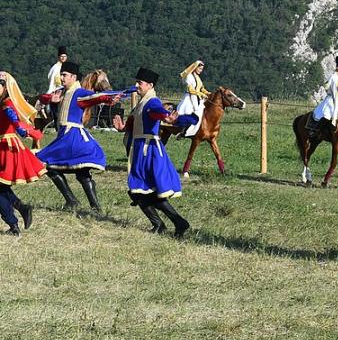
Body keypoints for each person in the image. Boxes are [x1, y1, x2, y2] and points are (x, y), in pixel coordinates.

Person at [35, 60, 126, 213]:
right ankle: (93, 206)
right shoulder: (62, 92)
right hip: (65, 136)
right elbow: (43, 97)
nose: (62, 78)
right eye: (61, 75)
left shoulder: (79, 92)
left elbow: (95, 97)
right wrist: (51, 99)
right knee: (81, 172)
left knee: (48, 165)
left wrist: (110, 97)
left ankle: (73, 200)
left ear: (73, 77)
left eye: (64, 75)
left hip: (72, 136)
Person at [112, 68, 188, 236]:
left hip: (149, 151)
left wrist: (167, 116)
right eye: (137, 82)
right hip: (140, 150)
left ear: (150, 85)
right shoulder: (141, 103)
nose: (136, 85)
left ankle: (174, 223)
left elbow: (159, 112)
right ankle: (166, 224)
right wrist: (122, 128)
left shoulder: (152, 101)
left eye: (140, 83)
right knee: (140, 191)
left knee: (144, 191)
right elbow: (133, 124)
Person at [0, 72, 44, 235]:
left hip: (7, 147)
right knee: (2, 189)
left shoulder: (6, 103)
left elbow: (13, 117)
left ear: (6, 87)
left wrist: (20, 128)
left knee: (1, 189)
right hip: (3, 146)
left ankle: (13, 224)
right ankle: (21, 209)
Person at [174, 60, 210, 138]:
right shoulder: (189, 76)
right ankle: (182, 131)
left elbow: (201, 88)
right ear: (195, 67)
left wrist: (208, 93)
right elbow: (191, 90)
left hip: (197, 98)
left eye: (202, 69)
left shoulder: (198, 78)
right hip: (189, 98)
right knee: (188, 113)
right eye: (200, 69)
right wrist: (201, 94)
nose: (201, 71)